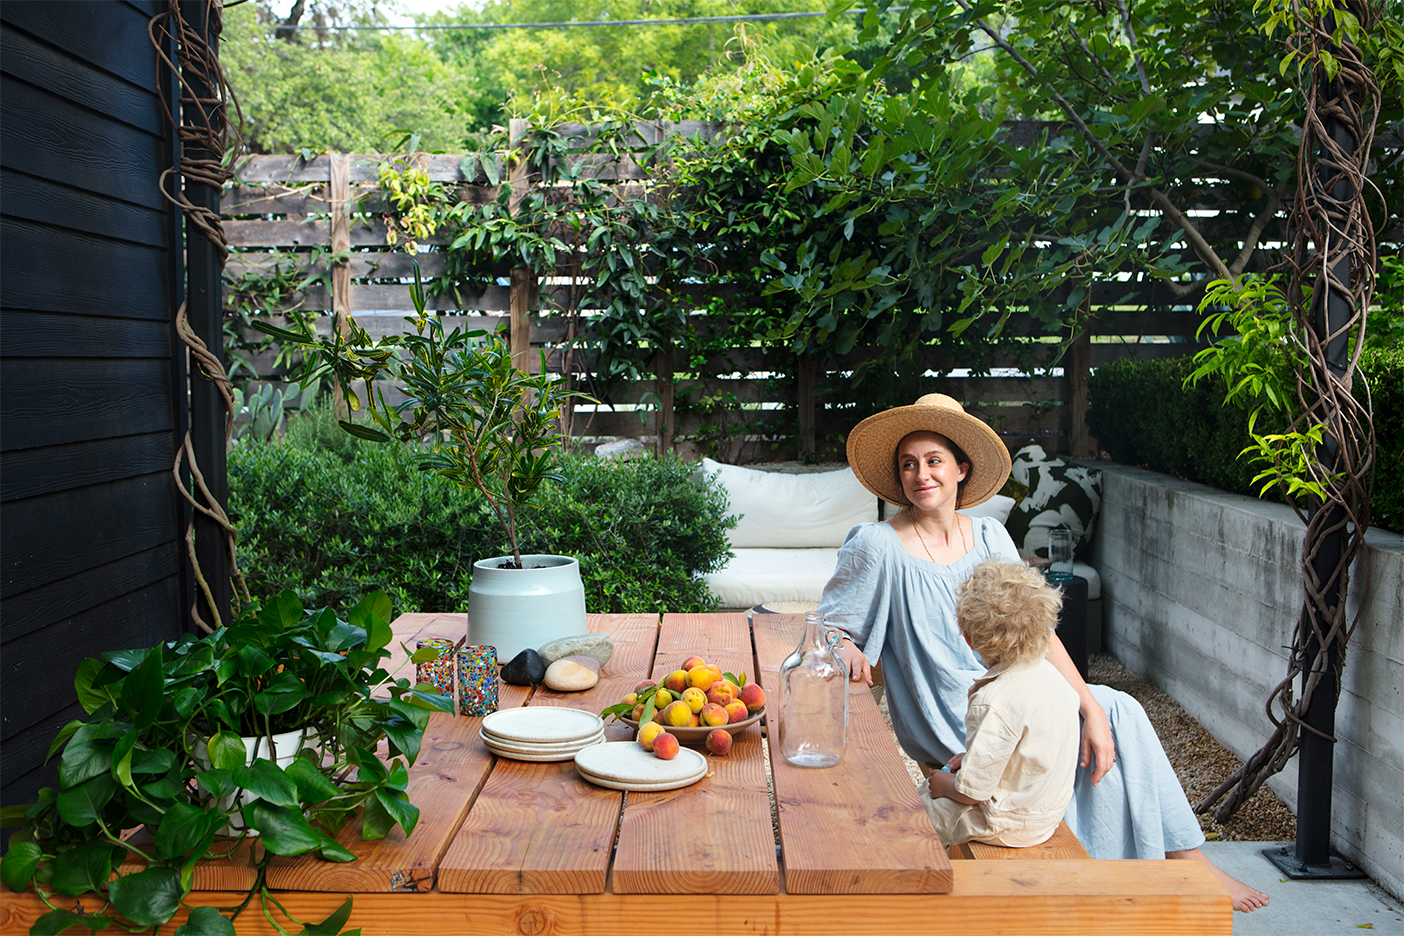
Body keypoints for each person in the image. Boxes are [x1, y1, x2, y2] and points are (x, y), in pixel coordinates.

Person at [817, 393, 1269, 912]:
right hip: (960, 715)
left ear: (961, 469)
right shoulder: (878, 545)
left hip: (1023, 693)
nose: (922, 474)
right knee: (1057, 739)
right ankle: (1115, 885)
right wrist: (844, 646)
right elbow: (829, 626)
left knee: (1121, 708)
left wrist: (1090, 704)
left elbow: (1035, 633)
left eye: (934, 461)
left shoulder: (988, 534)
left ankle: (1186, 863)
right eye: (909, 464)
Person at [924, 559, 1080, 849]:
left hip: (1004, 824)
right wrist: (969, 760)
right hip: (1045, 815)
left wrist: (943, 785)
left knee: (915, 813)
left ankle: (920, 884)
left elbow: (973, 793)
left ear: (969, 639)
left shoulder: (993, 700)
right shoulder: (1056, 681)